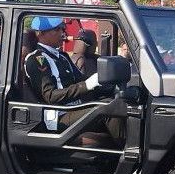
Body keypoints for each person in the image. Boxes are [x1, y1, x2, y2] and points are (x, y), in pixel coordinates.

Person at [23, 16, 123, 146]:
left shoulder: (63, 57)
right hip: (58, 115)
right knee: (109, 108)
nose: (62, 33)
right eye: (56, 29)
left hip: (75, 108)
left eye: (62, 28)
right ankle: (129, 157)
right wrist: (87, 85)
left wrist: (109, 85)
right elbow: (50, 96)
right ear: (41, 34)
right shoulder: (36, 59)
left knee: (117, 101)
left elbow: (81, 80)